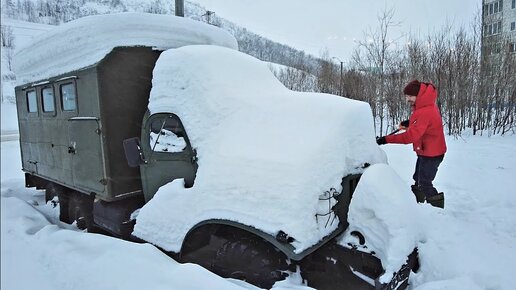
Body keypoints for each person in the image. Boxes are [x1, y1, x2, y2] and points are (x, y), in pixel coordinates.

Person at [376, 80, 447, 208]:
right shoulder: (426, 106)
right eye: (406, 96)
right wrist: (410, 123)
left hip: (432, 154)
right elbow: (424, 124)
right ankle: (416, 206)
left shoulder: (424, 111)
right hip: (426, 151)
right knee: (417, 179)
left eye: (409, 96)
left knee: (424, 183)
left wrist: (386, 139)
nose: (407, 99)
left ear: (418, 95)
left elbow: (409, 137)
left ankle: (437, 212)